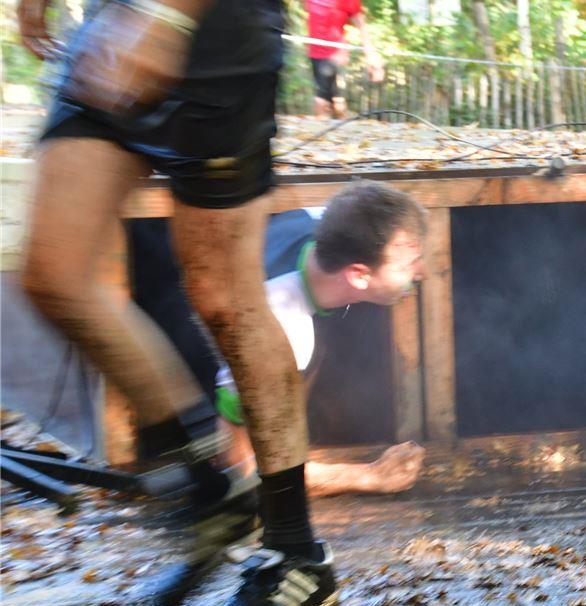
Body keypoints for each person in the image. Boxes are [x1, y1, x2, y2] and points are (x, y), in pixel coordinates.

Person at [17, 0, 337, 606]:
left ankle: (298, 556)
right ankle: (208, 492)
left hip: (215, 35)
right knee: (53, 275)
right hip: (110, 25)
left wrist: (167, 15)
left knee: (225, 298)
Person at [128, 180, 427, 502]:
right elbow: (242, 468)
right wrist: (368, 476)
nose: (420, 271)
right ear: (358, 275)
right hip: (173, 377)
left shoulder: (324, 221)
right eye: (407, 266)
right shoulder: (277, 326)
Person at [304, 0, 383, 119]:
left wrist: (370, 55)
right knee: (334, 99)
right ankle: (339, 122)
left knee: (322, 100)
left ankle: (331, 124)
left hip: (334, 53)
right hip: (314, 52)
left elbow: (361, 24)